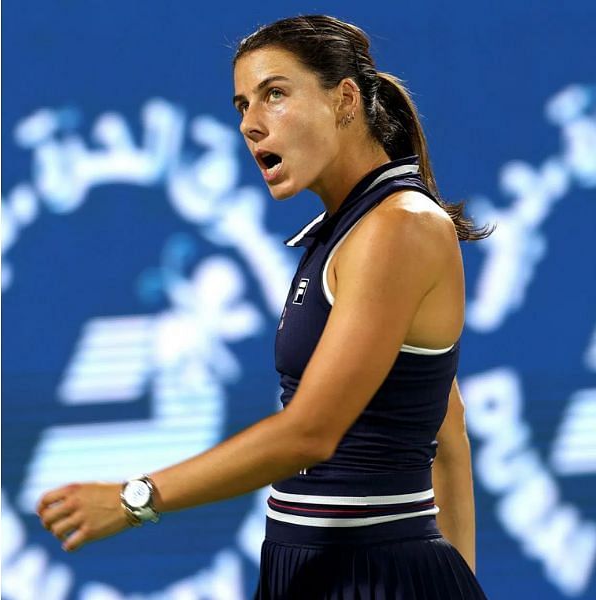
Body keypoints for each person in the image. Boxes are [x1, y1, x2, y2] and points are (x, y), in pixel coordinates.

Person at [37, 15, 489, 599]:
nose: (251, 124)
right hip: (305, 570)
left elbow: (310, 434)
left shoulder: (400, 225)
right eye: (242, 105)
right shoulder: (343, 230)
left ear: (344, 99)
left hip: (379, 577)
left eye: (275, 94)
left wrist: (136, 498)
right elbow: (446, 427)